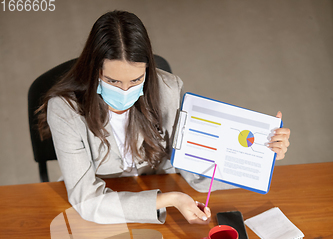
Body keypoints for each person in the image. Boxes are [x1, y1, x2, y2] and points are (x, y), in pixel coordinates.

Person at [38, 10, 290, 226]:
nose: (125, 91)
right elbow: (87, 200)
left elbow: (193, 168)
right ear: (93, 70)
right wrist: (168, 200)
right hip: (113, 202)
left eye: (135, 80)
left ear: (147, 71)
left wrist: (261, 156)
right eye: (113, 81)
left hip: (161, 183)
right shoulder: (64, 109)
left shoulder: (166, 89)